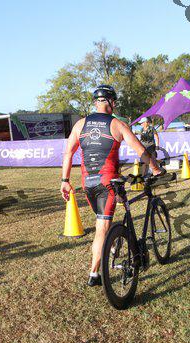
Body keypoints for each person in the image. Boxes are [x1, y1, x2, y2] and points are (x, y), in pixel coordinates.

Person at [60, 85, 164, 287]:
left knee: (103, 222)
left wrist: (65, 181)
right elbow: (141, 151)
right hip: (107, 181)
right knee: (102, 229)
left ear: (95, 103)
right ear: (112, 102)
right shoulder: (117, 124)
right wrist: (155, 169)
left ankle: (115, 240)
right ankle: (94, 273)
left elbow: (68, 153)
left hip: (87, 183)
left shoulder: (80, 124)